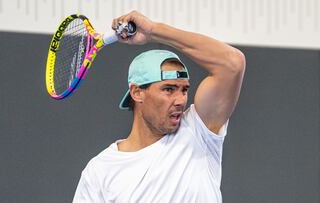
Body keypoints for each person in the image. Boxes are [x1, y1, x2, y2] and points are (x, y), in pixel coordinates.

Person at [73, 10, 245, 203]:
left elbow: (232, 63)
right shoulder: (100, 170)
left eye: (184, 89)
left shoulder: (199, 132)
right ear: (137, 92)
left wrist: (153, 32)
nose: (180, 100)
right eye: (169, 89)